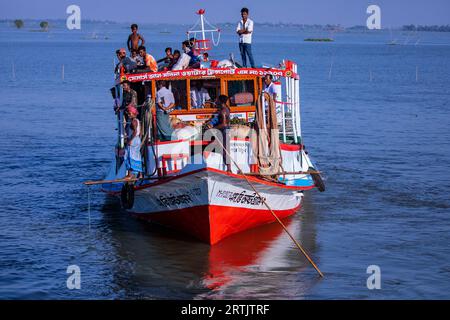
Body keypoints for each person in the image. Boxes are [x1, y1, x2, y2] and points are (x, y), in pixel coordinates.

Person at [212, 95, 232, 172]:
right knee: (225, 149)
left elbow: (224, 124)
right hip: (225, 131)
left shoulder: (223, 111)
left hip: (224, 131)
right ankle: (228, 168)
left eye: (217, 100)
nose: (216, 101)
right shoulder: (226, 109)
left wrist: (214, 128)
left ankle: (229, 169)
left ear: (220, 101)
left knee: (225, 150)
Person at [124, 105, 143, 179]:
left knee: (129, 156)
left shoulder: (133, 121)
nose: (128, 115)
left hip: (134, 140)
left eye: (129, 113)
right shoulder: (138, 120)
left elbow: (135, 132)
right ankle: (140, 174)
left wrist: (130, 140)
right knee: (137, 156)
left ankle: (130, 174)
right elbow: (140, 132)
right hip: (137, 139)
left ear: (133, 113)